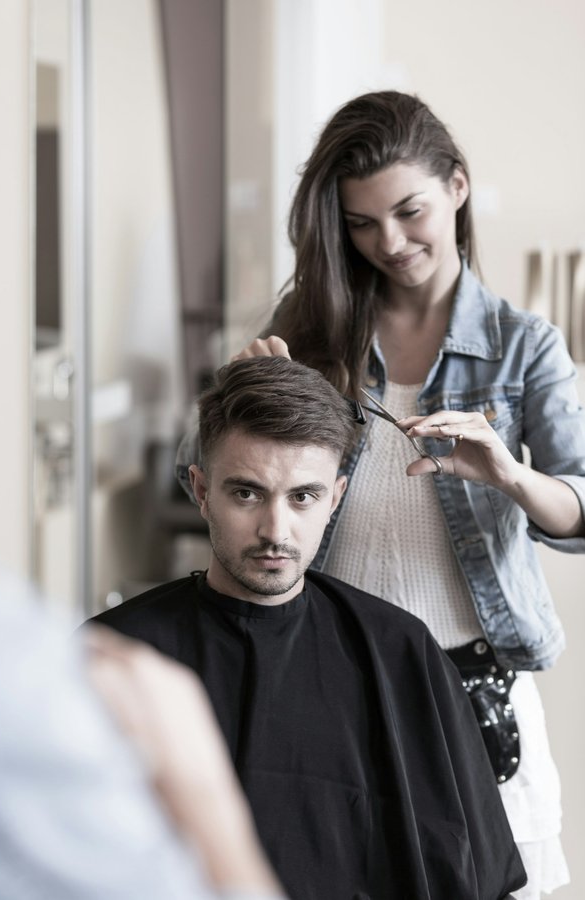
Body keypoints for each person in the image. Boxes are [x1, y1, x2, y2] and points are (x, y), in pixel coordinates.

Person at [209, 90, 585, 899]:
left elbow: (580, 513)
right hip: (333, 674)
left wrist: (510, 476)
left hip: (474, 686)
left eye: (409, 211)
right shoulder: (312, 328)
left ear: (457, 186)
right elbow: (208, 476)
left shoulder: (525, 347)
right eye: (361, 223)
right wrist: (242, 395)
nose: (390, 242)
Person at [90, 355, 526, 900]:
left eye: (303, 497)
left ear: (335, 496)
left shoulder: (399, 653)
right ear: (201, 491)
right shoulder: (113, 660)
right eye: (247, 493)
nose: (276, 530)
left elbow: (483, 882)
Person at [0, 562, 285, 900]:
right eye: (246, 502)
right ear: (201, 504)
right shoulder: (26, 667)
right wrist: (204, 802)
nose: (275, 530)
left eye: (301, 502)